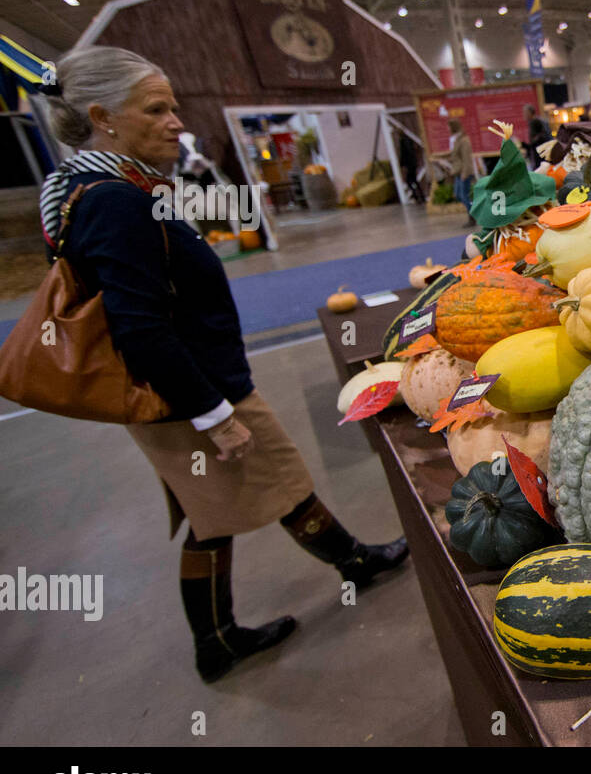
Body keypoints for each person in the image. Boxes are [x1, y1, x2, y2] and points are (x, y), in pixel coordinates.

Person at [38, 46, 409, 683]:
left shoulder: (80, 187)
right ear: (103, 117)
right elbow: (142, 328)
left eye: (175, 106)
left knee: (236, 501)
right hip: (190, 391)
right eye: (156, 109)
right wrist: (216, 416)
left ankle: (332, 572)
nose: (176, 121)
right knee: (237, 501)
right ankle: (235, 630)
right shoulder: (114, 200)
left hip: (180, 388)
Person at [448, 118, 476, 228]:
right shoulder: (456, 139)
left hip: (464, 172)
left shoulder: (464, 140)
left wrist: (465, 173)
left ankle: (472, 216)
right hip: (458, 172)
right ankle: (472, 212)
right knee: (459, 194)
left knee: (464, 195)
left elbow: (466, 158)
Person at [522, 103, 551, 169]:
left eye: (525, 112)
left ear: (530, 112)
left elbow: (534, 140)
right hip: (542, 152)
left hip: (539, 154)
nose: (524, 114)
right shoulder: (537, 121)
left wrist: (526, 145)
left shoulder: (534, 122)